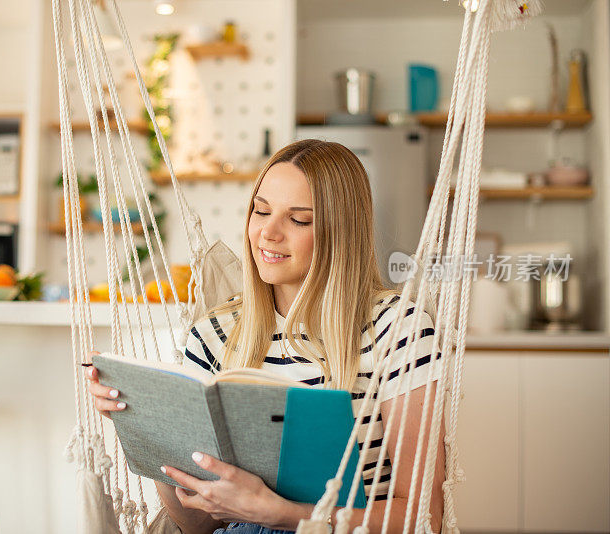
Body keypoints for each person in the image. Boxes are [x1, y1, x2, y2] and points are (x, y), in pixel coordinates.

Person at [85, 139, 445, 533]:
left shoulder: (398, 329)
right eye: (261, 211)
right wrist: (146, 424)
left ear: (340, 232)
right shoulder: (213, 336)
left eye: (299, 219)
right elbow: (194, 524)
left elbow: (424, 517)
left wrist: (279, 513)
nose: (268, 233)